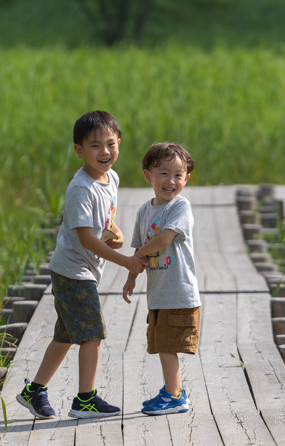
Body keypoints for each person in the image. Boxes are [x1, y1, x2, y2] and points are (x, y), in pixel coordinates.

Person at [17, 110, 147, 420]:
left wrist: (116, 233)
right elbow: (87, 239)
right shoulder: (81, 190)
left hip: (82, 270)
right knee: (92, 334)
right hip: (73, 271)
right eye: (95, 146)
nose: (105, 152)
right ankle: (85, 400)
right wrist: (127, 261)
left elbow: (105, 222)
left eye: (111, 144)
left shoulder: (111, 177)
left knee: (65, 335)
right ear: (79, 150)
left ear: (119, 144)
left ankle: (33, 391)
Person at [123, 142, 201, 416]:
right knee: (160, 345)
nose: (171, 181)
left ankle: (175, 395)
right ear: (148, 176)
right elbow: (139, 249)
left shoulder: (181, 207)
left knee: (168, 345)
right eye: (164, 174)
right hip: (159, 293)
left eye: (178, 175)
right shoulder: (145, 210)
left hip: (179, 291)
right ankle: (173, 388)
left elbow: (163, 240)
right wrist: (131, 276)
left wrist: (141, 253)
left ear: (186, 178)